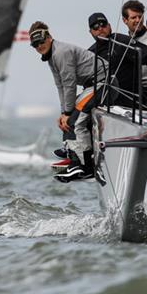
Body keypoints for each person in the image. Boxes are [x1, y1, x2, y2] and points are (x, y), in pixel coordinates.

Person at [30, 21, 111, 182]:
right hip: (92, 85)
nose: (39, 46)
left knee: (75, 120)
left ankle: (84, 165)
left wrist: (68, 113)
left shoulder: (61, 52)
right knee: (67, 119)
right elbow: (60, 86)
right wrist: (63, 113)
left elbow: (69, 84)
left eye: (41, 41)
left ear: (49, 37)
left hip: (105, 83)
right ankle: (72, 153)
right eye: (35, 44)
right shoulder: (51, 57)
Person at [87, 12, 147, 108]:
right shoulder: (90, 53)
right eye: (95, 27)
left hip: (130, 100)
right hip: (103, 102)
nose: (100, 29)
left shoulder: (121, 41)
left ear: (109, 26)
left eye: (103, 24)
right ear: (91, 32)